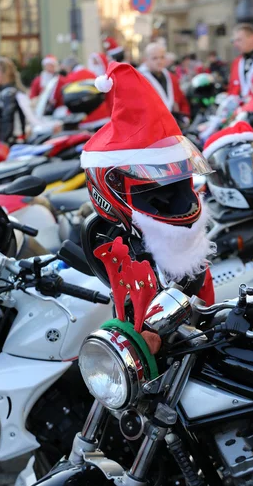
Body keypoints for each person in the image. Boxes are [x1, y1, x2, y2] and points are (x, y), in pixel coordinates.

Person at [80, 61, 216, 306]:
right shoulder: (114, 251)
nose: (179, 198)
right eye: (153, 186)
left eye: (177, 182)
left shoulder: (188, 250)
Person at [139, 43, 190, 115]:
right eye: (155, 58)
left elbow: (182, 101)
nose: (159, 61)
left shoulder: (171, 77)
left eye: (162, 57)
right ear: (145, 60)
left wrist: (185, 117)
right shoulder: (139, 80)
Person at [0, 57, 32, 143]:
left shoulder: (9, 94)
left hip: (15, 144)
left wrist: (1, 143)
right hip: (15, 142)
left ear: (4, 73)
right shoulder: (6, 92)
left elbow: (7, 122)